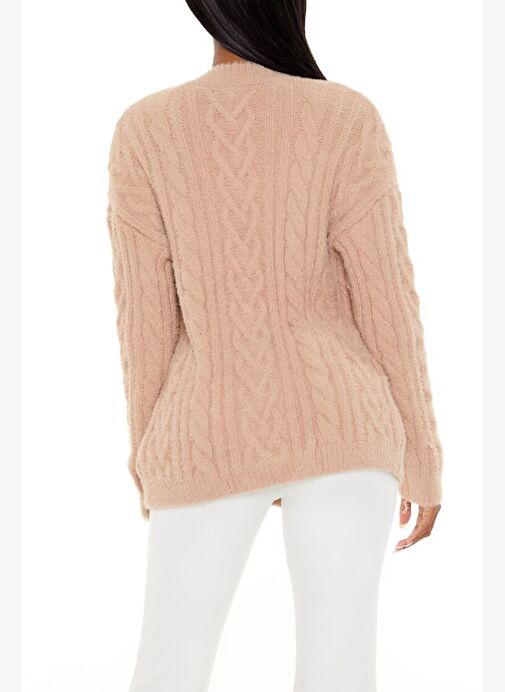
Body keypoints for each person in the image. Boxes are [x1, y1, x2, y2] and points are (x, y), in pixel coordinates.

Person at [106, 1, 444, 690]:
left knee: (166, 668)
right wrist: (423, 459)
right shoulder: (344, 117)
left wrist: (149, 459)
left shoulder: (146, 128)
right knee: (340, 672)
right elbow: (388, 302)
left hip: (203, 430)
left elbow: (143, 322)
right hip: (346, 428)